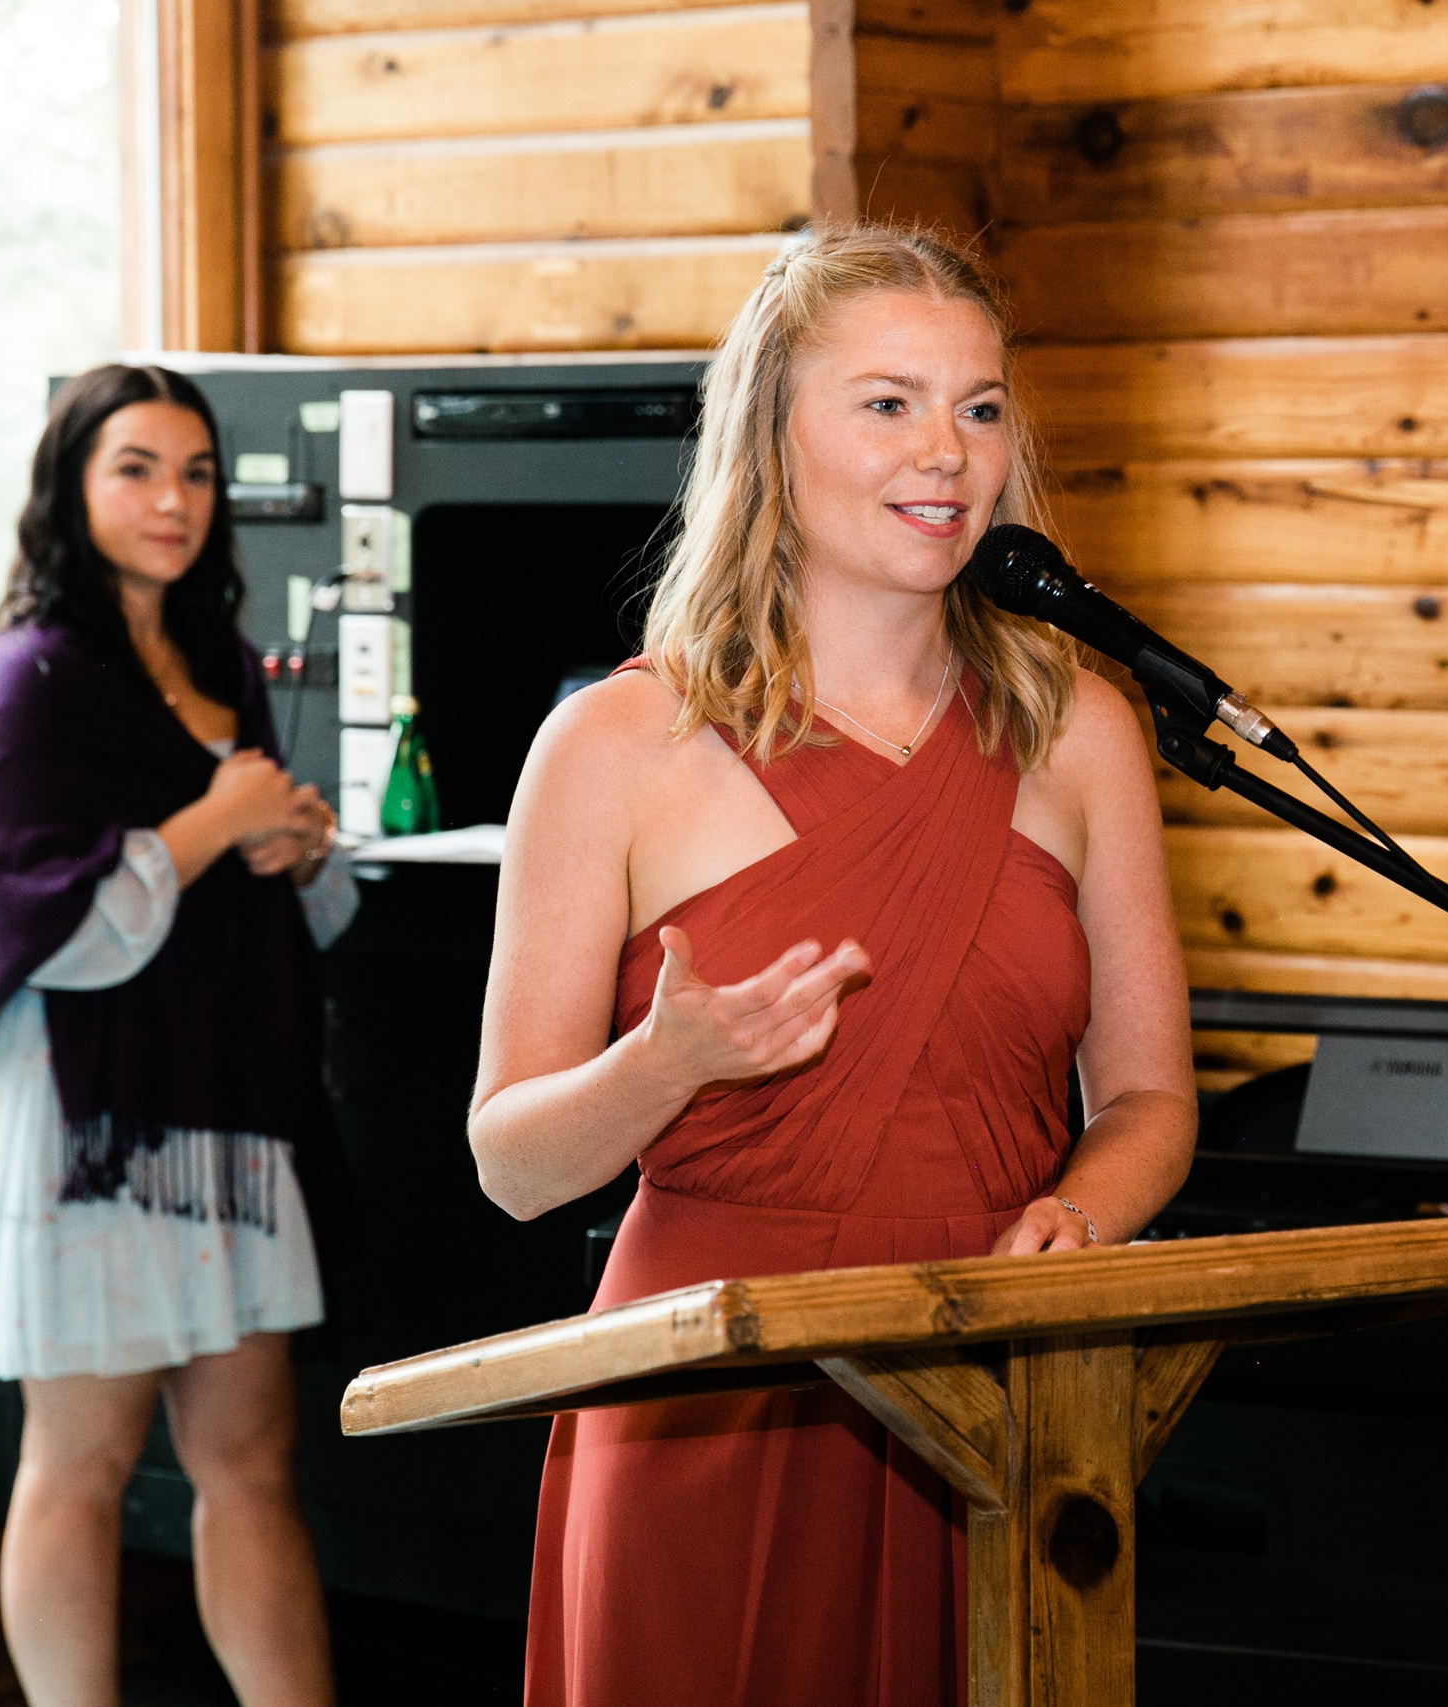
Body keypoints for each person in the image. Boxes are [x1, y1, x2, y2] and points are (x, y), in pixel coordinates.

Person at [472, 226, 1197, 1704]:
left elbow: (1149, 1098)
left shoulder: (1084, 732)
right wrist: (663, 1066)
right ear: (771, 437)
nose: (948, 451)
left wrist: (1080, 1212)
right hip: (714, 1399)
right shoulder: (617, 749)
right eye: (888, 402)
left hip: (1001, 1393)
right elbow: (513, 1163)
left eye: (979, 407)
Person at [0, 364, 352, 1707]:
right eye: (136, 468)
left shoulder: (222, 658)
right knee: (85, 1458)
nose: (173, 500)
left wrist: (288, 848)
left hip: (226, 1109)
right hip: (86, 1123)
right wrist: (216, 824)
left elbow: (280, 905)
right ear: (72, 484)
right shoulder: (26, 678)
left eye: (197, 473)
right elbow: (39, 920)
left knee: (253, 1457)